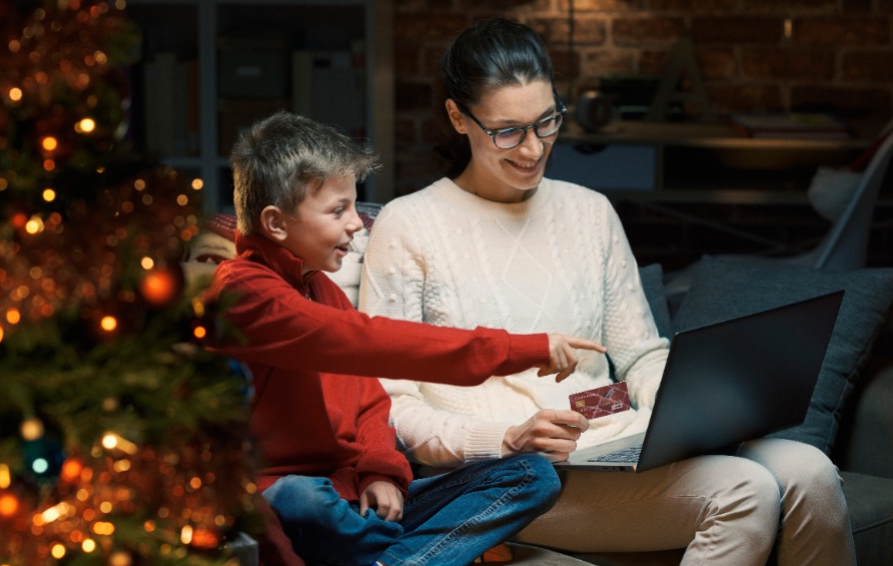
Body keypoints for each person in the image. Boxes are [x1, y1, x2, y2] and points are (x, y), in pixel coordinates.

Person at [359, 17, 856, 566]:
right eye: (508, 130)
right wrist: (506, 436)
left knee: (810, 470)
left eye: (546, 122)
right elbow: (392, 404)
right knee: (744, 490)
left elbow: (639, 354)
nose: (532, 148)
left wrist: (687, 404)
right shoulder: (409, 226)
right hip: (511, 477)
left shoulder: (590, 212)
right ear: (458, 116)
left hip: (613, 440)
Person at [206, 110, 606, 566]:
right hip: (294, 501)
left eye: (355, 206)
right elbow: (367, 341)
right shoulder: (243, 293)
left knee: (532, 476)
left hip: (358, 501)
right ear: (276, 224)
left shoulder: (324, 288)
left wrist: (382, 473)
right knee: (302, 497)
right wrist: (521, 348)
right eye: (338, 211)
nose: (357, 223)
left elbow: (370, 404)